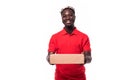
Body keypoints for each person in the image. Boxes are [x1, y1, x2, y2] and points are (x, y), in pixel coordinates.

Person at [47, 6, 92, 80]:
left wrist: (84, 58)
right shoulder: (55, 37)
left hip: (79, 78)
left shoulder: (84, 37)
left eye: (70, 15)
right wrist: (50, 59)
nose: (67, 18)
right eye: (64, 16)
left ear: (75, 17)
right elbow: (49, 57)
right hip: (60, 78)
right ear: (62, 18)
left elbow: (89, 58)